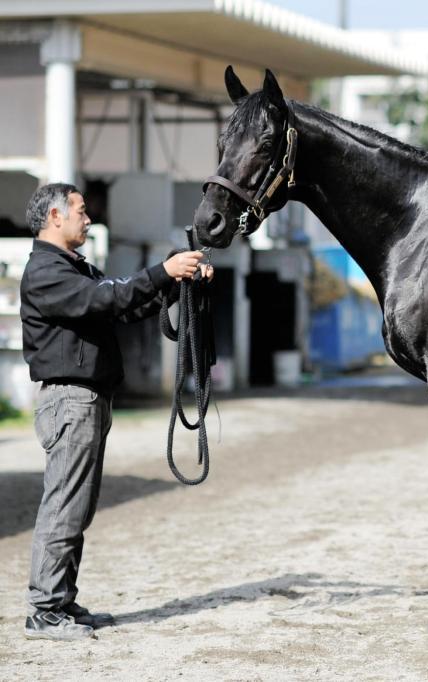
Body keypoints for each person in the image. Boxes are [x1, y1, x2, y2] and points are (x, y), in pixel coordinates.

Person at [19, 183, 213, 640]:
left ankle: (60, 601)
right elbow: (105, 299)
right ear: (54, 217)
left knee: (77, 507)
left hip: (87, 398)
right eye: (82, 212)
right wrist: (162, 271)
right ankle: (44, 610)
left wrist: (175, 282)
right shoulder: (46, 272)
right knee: (65, 505)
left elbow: (121, 305)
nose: (88, 220)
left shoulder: (73, 267)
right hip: (71, 398)